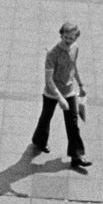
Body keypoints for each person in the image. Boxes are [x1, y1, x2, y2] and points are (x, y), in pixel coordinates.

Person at [31, 21, 89, 168]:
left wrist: (81, 85)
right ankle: (39, 140)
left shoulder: (75, 48)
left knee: (73, 124)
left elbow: (73, 67)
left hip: (69, 91)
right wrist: (60, 98)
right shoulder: (52, 54)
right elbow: (49, 80)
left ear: (76, 37)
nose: (69, 41)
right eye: (66, 37)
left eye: (72, 38)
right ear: (61, 35)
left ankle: (76, 156)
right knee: (45, 118)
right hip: (52, 93)